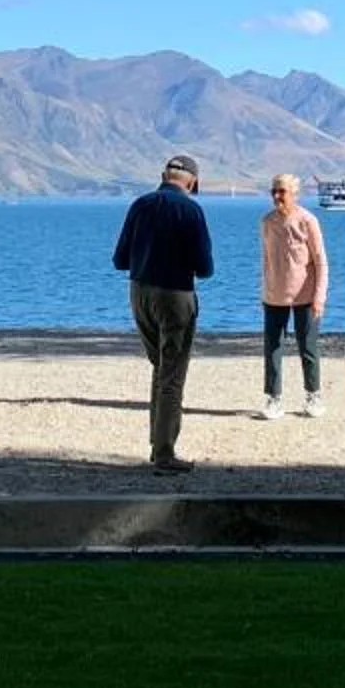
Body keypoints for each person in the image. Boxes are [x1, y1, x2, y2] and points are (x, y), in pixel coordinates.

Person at [113, 152, 213, 473]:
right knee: (172, 373)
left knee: (159, 366)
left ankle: (158, 444)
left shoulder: (140, 205)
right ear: (193, 182)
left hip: (139, 292)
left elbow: (120, 259)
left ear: (163, 175)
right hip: (175, 295)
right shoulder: (191, 211)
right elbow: (205, 268)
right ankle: (165, 453)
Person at [258, 173, 329, 419]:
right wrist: (265, 289)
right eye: (274, 191)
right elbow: (266, 259)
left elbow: (321, 262)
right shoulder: (267, 222)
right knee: (273, 348)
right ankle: (273, 398)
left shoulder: (308, 221)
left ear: (294, 194)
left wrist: (319, 296)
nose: (277, 196)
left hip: (305, 296)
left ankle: (313, 395)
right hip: (274, 296)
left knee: (308, 347)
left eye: (282, 192)